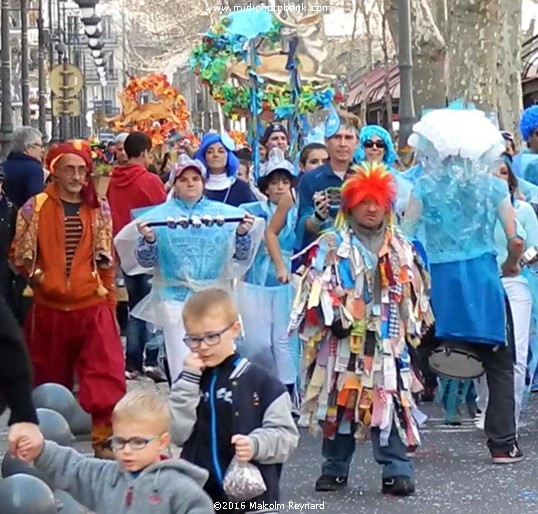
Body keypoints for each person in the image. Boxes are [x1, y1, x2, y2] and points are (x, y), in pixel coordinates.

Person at [290, 164, 432, 495]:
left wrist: (413, 328)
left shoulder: (401, 246)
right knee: (340, 401)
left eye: (378, 201)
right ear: (350, 205)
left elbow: (414, 294)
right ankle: (334, 467)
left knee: (391, 400)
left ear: (387, 205)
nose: (371, 208)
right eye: (364, 201)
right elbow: (316, 285)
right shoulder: (331, 244)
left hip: (386, 340)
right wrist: (331, 316)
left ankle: (397, 468)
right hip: (342, 341)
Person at [405, 107, 525, 464]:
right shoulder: (494, 186)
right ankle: (502, 443)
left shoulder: (423, 186)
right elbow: (515, 240)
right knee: (501, 363)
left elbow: (407, 237)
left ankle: (401, 438)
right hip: (483, 279)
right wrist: (509, 265)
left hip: (440, 281)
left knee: (412, 355)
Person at [10, 140, 126, 459]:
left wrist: (110, 304)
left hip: (92, 304)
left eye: (81, 169)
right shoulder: (34, 207)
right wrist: (40, 278)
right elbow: (18, 256)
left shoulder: (98, 207)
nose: (76, 176)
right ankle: (49, 444)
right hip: (48, 308)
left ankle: (104, 437)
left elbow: (106, 260)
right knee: (47, 376)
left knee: (106, 371)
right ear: (54, 172)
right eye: (69, 169)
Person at [115, 157, 262, 384]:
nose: (190, 184)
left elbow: (240, 258)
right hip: (174, 299)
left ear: (203, 182)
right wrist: (150, 239)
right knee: (182, 363)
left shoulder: (223, 215)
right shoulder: (158, 217)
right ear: (174, 184)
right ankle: (185, 412)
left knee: (216, 360)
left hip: (213, 299)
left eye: (195, 179)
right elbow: (145, 262)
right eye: (183, 180)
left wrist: (242, 233)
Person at [169, 287, 299, 512]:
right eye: (194, 339)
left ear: (234, 329)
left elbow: (286, 437)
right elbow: (178, 433)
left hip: (253, 500)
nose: (203, 346)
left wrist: (256, 444)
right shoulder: (189, 381)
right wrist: (188, 380)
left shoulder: (263, 384)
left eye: (211, 336)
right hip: (201, 500)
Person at [16, 389, 214, 513]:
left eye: (138, 442)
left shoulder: (178, 487)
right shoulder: (105, 476)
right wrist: (41, 449)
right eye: (119, 441)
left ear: (162, 443)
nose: (126, 450)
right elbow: (74, 467)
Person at [238, 148, 299, 394]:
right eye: (274, 183)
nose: (280, 187)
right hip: (258, 279)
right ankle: (261, 387)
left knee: (284, 340)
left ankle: (286, 392)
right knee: (258, 342)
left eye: (285, 181)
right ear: (265, 187)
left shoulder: (297, 212)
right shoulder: (253, 211)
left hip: (289, 279)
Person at [108, 132, 167, 381]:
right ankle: (151, 359)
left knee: (134, 306)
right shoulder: (149, 180)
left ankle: (132, 361)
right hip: (147, 249)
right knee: (152, 307)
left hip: (123, 249)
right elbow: (163, 213)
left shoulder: (111, 180)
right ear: (144, 152)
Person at [355, 124, 412, 217]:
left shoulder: (396, 180)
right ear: (362, 148)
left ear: (385, 150)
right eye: (368, 144)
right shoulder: (353, 175)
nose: (374, 147)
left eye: (380, 144)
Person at [194, 133, 255, 206]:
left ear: (228, 156)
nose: (215, 155)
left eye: (221, 151)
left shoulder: (242, 188)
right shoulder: (195, 187)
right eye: (210, 152)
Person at [2, 126, 45, 208]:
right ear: (28, 148)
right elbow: (36, 202)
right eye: (40, 146)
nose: (42, 150)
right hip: (22, 218)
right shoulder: (34, 169)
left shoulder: (2, 166)